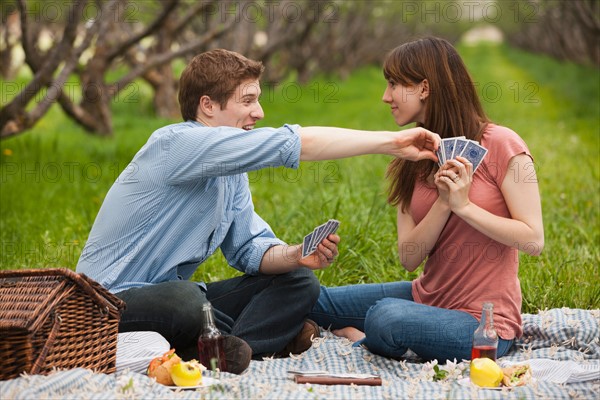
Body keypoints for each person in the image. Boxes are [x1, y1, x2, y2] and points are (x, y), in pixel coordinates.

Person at [76, 48, 441, 374]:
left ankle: (219, 350)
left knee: (298, 282)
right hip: (107, 303)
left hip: (178, 302)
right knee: (186, 299)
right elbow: (292, 143)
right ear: (208, 105)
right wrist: (392, 142)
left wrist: (297, 255)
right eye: (248, 101)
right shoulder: (176, 144)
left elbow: (250, 249)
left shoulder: (232, 173)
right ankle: (242, 342)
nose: (259, 112)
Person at [309, 37, 544, 362]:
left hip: (482, 325)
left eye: (393, 84)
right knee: (311, 298)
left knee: (386, 317)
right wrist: (444, 203)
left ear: (424, 87)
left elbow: (534, 239)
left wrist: (465, 206)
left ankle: (363, 336)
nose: (385, 96)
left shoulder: (503, 145)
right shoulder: (411, 156)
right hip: (425, 298)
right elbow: (409, 257)